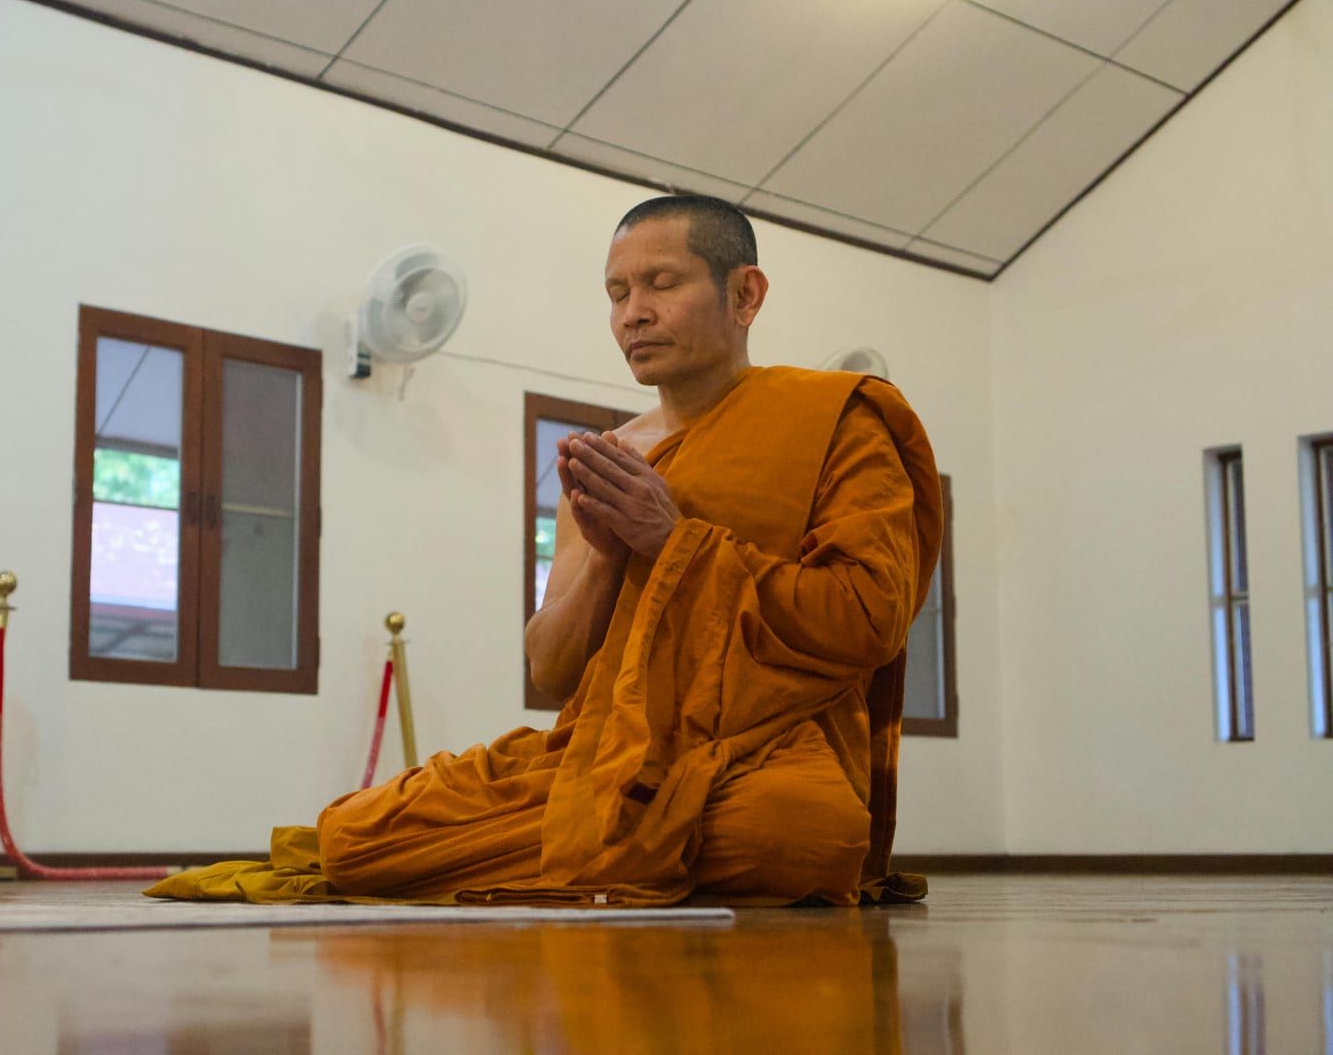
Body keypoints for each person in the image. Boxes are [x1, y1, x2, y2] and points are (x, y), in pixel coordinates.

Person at [147, 196, 941, 907]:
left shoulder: (835, 420)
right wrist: (606, 558)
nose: (634, 313)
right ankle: (624, 844)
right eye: (617, 292)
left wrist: (676, 545)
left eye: (662, 283)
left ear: (745, 294)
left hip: (770, 753)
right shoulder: (613, 462)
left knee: (802, 833)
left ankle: (618, 846)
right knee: (356, 838)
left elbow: (869, 619)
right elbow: (553, 671)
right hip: (612, 760)